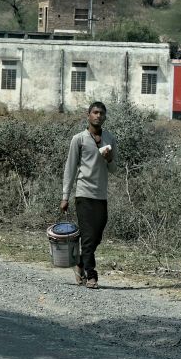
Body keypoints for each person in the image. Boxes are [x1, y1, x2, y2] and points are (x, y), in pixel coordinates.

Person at [60, 101, 117, 289]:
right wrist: (65, 196)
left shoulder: (109, 138)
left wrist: (109, 159)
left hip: (101, 195)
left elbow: (114, 168)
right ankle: (91, 275)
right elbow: (70, 168)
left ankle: (80, 263)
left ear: (105, 116)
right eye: (95, 112)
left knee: (97, 235)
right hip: (83, 193)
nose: (98, 116)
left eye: (101, 113)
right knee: (87, 236)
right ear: (88, 115)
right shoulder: (79, 139)